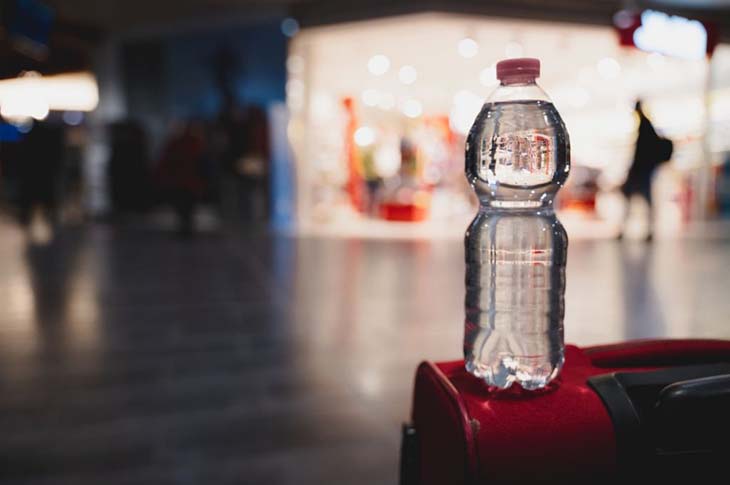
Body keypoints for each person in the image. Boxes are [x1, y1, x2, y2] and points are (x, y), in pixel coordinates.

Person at [618, 100, 673, 241]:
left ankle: (640, 231)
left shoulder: (644, 125)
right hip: (643, 171)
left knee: (632, 200)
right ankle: (644, 231)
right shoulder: (646, 125)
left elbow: (640, 153)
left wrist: (632, 169)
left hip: (640, 171)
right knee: (641, 201)